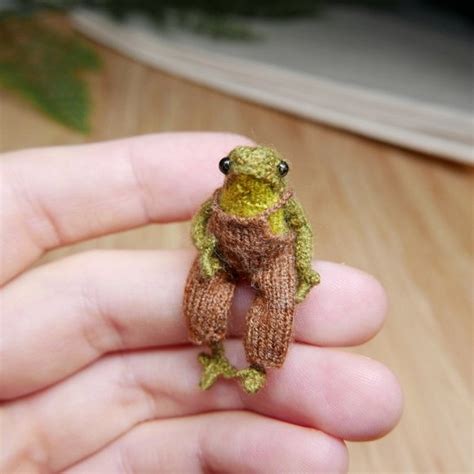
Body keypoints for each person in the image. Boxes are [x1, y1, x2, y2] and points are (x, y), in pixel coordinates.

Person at [0, 132, 402, 473]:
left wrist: (302, 268)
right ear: (227, 171)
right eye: (230, 168)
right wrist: (208, 249)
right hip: (224, 257)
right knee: (203, 299)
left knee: (277, 305)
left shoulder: (284, 204)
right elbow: (202, 224)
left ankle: (260, 367)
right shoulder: (218, 200)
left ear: (280, 176)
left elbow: (302, 231)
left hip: (272, 258)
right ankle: (212, 352)